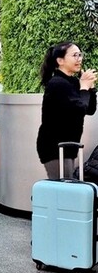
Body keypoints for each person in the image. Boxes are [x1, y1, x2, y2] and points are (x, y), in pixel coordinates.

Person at [36, 42, 97, 179]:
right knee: (63, 189)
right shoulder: (57, 83)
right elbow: (79, 108)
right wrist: (84, 88)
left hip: (68, 146)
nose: (79, 59)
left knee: (66, 188)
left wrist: (90, 88)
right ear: (60, 61)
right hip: (55, 147)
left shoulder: (73, 82)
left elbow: (89, 109)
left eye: (80, 55)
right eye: (75, 55)